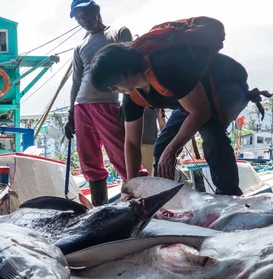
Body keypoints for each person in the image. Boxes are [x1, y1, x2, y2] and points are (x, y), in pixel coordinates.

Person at [89, 17, 272, 196]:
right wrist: (131, 187)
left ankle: (228, 196)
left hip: (228, 86)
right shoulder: (132, 95)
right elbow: (131, 142)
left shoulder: (165, 65)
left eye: (112, 84)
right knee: (162, 147)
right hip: (192, 102)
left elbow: (200, 113)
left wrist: (172, 150)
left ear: (125, 70)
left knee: (210, 130)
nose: (113, 90)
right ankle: (164, 200)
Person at [64, 0, 133, 206]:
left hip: (108, 103)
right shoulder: (80, 46)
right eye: (77, 18)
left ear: (96, 11)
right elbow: (76, 81)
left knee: (122, 156)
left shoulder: (119, 32)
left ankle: (143, 203)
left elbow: (132, 68)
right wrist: (70, 115)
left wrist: (129, 102)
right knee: (89, 161)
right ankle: (99, 210)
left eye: (84, 14)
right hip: (81, 107)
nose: (82, 20)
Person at [140, 107, 165, 176]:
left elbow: (162, 124)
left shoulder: (157, 103)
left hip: (149, 143)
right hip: (130, 144)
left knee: (146, 176)